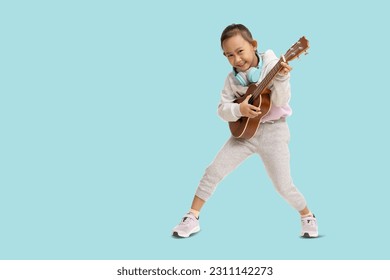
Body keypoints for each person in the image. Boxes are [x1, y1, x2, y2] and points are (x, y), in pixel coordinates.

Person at [172, 23, 318, 238]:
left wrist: (283, 77)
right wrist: (238, 109)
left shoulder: (271, 66)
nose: (237, 59)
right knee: (213, 171)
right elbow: (222, 110)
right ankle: (192, 217)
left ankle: (307, 216)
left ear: (254, 45)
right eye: (229, 55)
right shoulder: (231, 80)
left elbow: (280, 100)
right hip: (244, 134)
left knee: (284, 185)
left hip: (273, 132)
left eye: (240, 51)